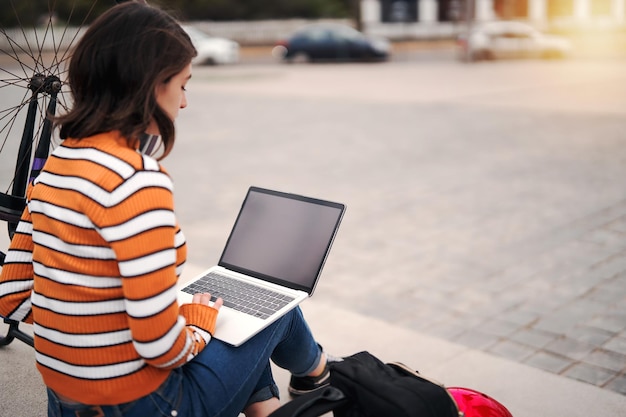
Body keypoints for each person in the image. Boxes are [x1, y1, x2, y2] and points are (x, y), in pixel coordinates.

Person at [0, 2, 336, 417]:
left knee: (241, 321)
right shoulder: (137, 180)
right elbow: (162, 349)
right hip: (144, 405)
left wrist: (92, 325)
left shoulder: (58, 164)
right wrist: (195, 324)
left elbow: (11, 298)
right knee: (272, 307)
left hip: (67, 400)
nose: (184, 103)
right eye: (183, 84)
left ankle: (276, 399)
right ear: (152, 85)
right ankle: (317, 376)